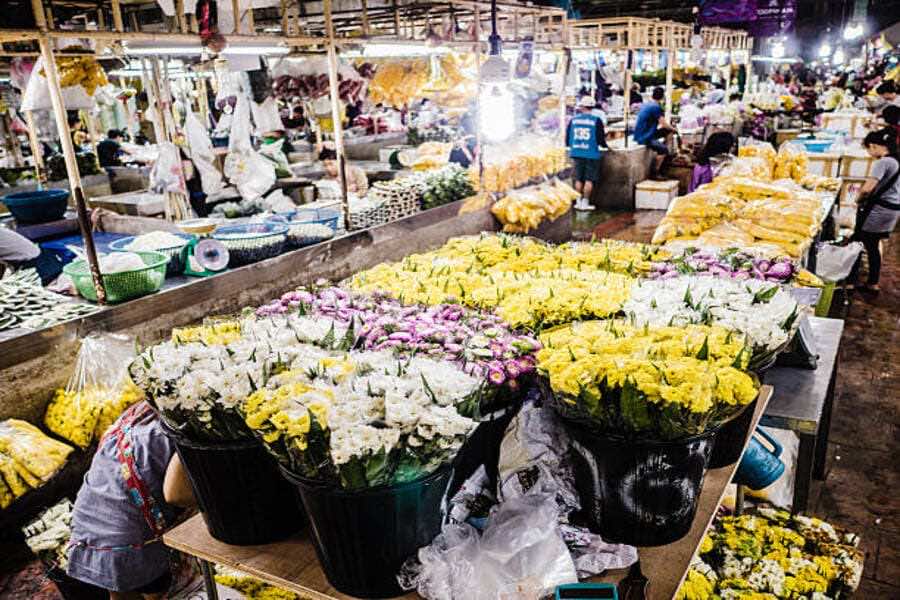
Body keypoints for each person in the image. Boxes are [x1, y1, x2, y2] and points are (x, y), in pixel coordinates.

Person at [67, 402, 196, 600]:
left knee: (120, 593)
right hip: (129, 537)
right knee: (157, 593)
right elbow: (176, 495)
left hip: (90, 519)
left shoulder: (142, 411)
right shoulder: (189, 427)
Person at [850, 129, 900, 293]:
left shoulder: (883, 162)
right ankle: (872, 282)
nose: (870, 153)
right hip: (892, 210)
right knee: (872, 245)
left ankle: (851, 281)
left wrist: (857, 199)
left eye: (869, 149)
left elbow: (867, 188)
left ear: (873, 146)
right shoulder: (896, 160)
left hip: (879, 210)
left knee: (856, 242)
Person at [566, 95, 610, 211]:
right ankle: (585, 203)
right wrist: (607, 147)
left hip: (576, 151)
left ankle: (578, 202)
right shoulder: (596, 120)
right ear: (592, 107)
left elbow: (567, 137)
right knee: (589, 179)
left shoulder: (573, 120)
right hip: (591, 153)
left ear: (582, 107)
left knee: (578, 178)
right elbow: (601, 139)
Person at [633, 87, 675, 180]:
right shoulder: (656, 107)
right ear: (662, 96)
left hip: (642, 133)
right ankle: (655, 172)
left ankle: (665, 153)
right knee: (664, 150)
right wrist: (674, 129)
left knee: (668, 131)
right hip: (645, 137)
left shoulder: (647, 105)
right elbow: (663, 123)